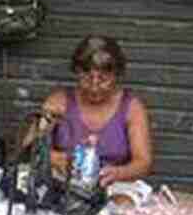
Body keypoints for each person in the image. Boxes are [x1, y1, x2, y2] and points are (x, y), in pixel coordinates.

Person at [45, 35, 154, 188]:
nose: (94, 86)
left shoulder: (132, 107)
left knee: (121, 205)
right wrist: (53, 157)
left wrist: (118, 173)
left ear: (116, 76)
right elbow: (29, 147)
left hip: (115, 184)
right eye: (87, 78)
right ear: (77, 73)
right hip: (65, 182)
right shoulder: (60, 101)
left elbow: (143, 163)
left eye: (103, 79)